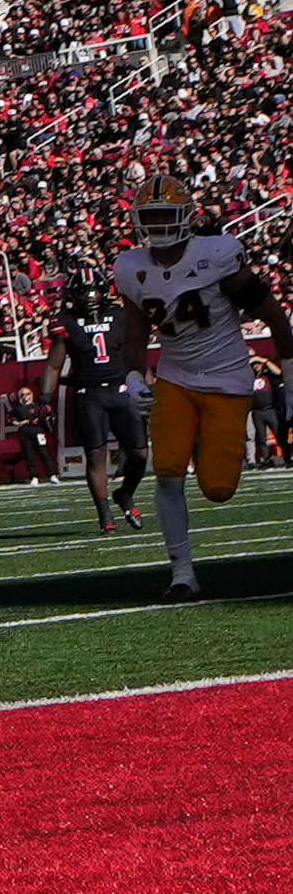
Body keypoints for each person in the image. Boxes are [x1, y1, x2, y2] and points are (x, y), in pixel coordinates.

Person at [111, 176, 293, 601]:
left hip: (227, 379)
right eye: (150, 217)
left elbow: (277, 319)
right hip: (174, 377)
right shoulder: (131, 268)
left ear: (186, 218)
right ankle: (182, 573)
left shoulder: (217, 257)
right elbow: (135, 333)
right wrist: (135, 375)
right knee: (168, 470)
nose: (157, 225)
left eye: (164, 216)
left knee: (218, 488)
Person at [42, 271, 147, 533]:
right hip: (89, 394)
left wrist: (147, 384)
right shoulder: (67, 321)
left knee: (139, 453)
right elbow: (54, 366)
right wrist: (44, 400)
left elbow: (136, 352)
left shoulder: (120, 316)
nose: (91, 298)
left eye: (95, 291)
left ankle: (125, 493)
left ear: (104, 291)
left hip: (120, 388)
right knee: (95, 456)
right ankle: (105, 515)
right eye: (84, 292)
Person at [7, 386, 56, 485]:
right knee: (29, 455)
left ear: (32, 395)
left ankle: (52, 475)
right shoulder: (17, 408)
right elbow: (9, 418)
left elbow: (47, 414)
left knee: (44, 453)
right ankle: (34, 476)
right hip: (25, 433)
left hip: (38, 431)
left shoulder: (38, 406)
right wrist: (17, 423)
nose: (25, 397)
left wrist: (35, 420)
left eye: (27, 394)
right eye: (22, 395)